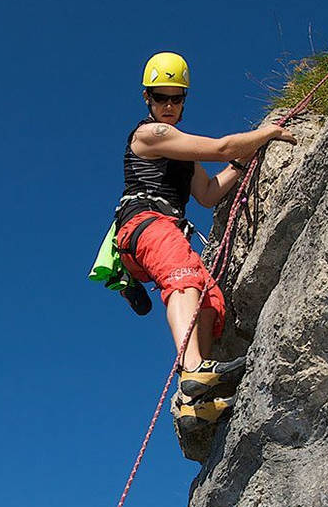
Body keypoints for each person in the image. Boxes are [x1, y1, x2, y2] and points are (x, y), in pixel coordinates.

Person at [115, 51, 296, 459]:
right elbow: (221, 146)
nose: (168, 106)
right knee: (183, 279)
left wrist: (240, 164)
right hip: (145, 223)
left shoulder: (182, 154)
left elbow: (208, 194)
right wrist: (266, 134)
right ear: (147, 99)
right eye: (161, 97)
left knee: (211, 302)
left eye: (176, 99)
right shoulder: (149, 134)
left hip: (157, 231)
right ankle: (193, 373)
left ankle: (196, 404)